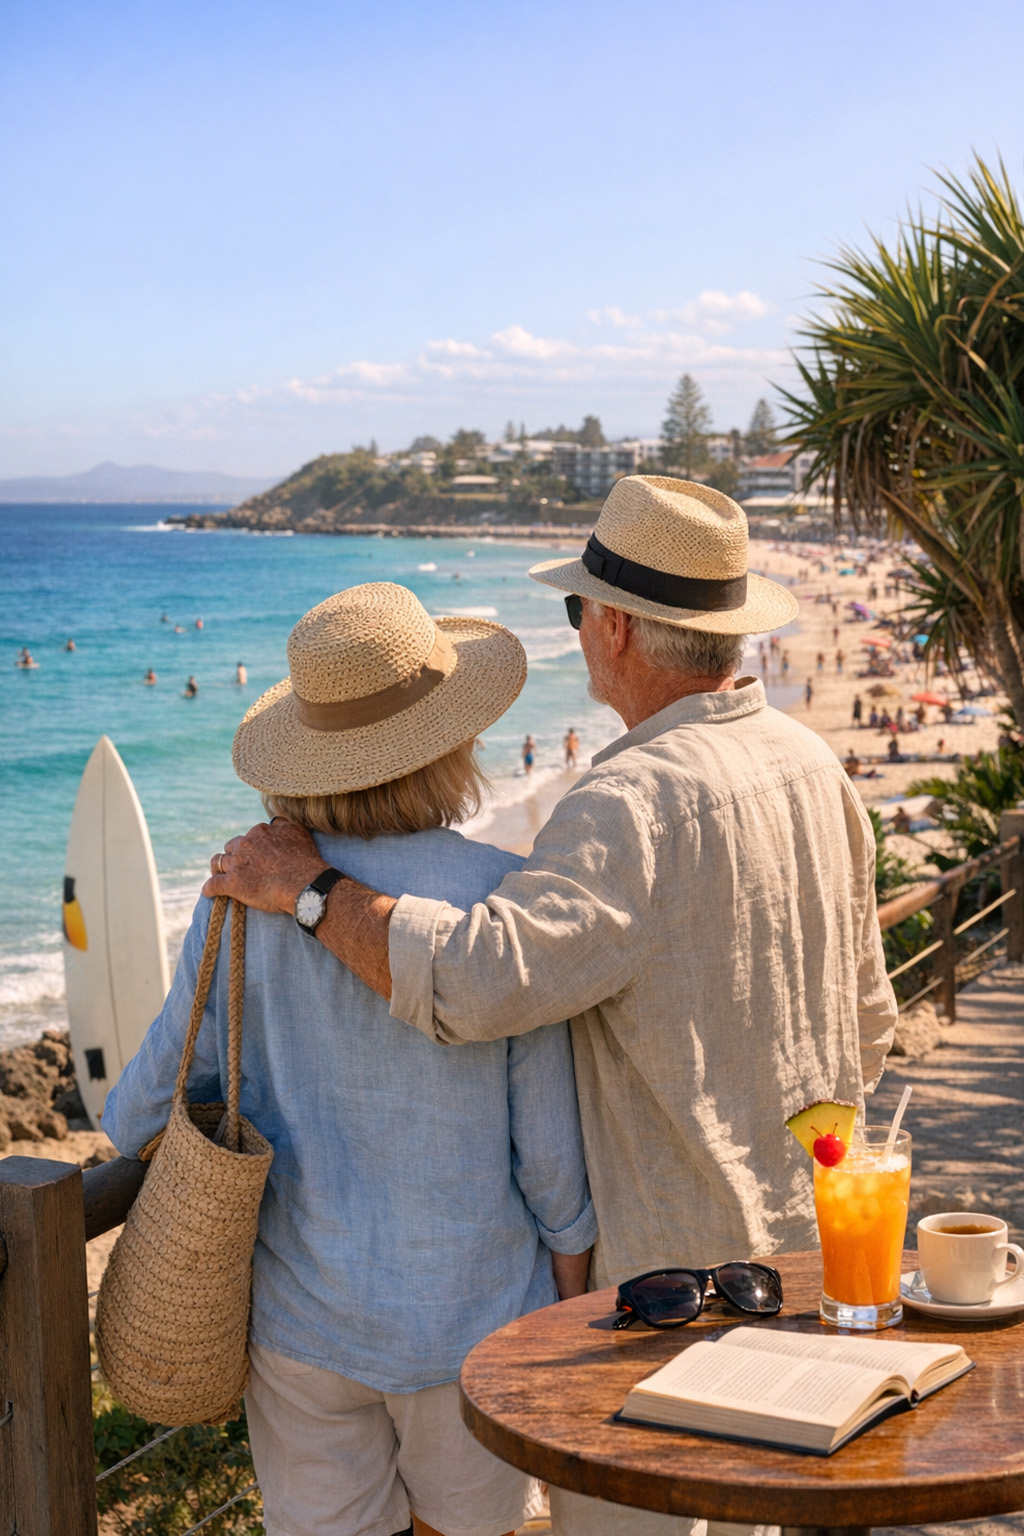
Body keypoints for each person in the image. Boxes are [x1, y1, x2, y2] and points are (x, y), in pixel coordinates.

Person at [209, 479, 897, 1536]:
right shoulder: (812, 764)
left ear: (614, 625)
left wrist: (310, 892)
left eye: (579, 613)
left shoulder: (628, 803)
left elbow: (479, 982)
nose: (580, 636)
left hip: (667, 1299)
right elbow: (870, 1022)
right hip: (807, 1254)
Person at [103, 583, 596, 1536]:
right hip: (476, 1320)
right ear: (453, 741)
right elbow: (551, 1165)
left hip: (305, 1328)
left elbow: (138, 1115)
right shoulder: (500, 899)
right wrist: (564, 1324)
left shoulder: (239, 897)